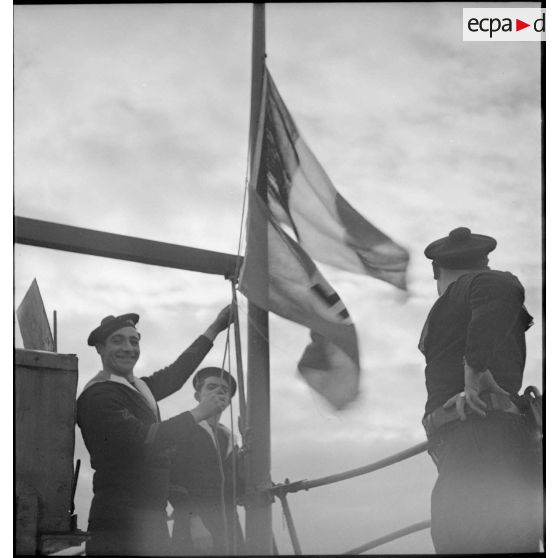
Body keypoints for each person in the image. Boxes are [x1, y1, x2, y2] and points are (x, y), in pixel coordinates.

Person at [418, 226, 543, 554]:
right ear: (484, 260)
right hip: (485, 444)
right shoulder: (468, 300)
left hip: (480, 444)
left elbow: (501, 285)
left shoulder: (467, 287)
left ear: (436, 271)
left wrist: (475, 369)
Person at [77, 306, 233, 556]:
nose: (128, 348)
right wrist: (198, 413)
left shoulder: (138, 389)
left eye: (134, 340)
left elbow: (177, 373)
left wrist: (215, 328)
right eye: (117, 341)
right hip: (119, 523)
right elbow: (143, 440)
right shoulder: (99, 395)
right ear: (100, 348)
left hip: (150, 518)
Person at [169, 367, 244, 556]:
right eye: (211, 387)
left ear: (228, 402)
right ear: (197, 395)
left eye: (225, 390)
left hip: (230, 529)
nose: (219, 391)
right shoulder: (184, 429)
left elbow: (240, 487)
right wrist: (194, 522)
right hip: (194, 528)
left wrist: (248, 449)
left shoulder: (230, 438)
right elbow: (172, 482)